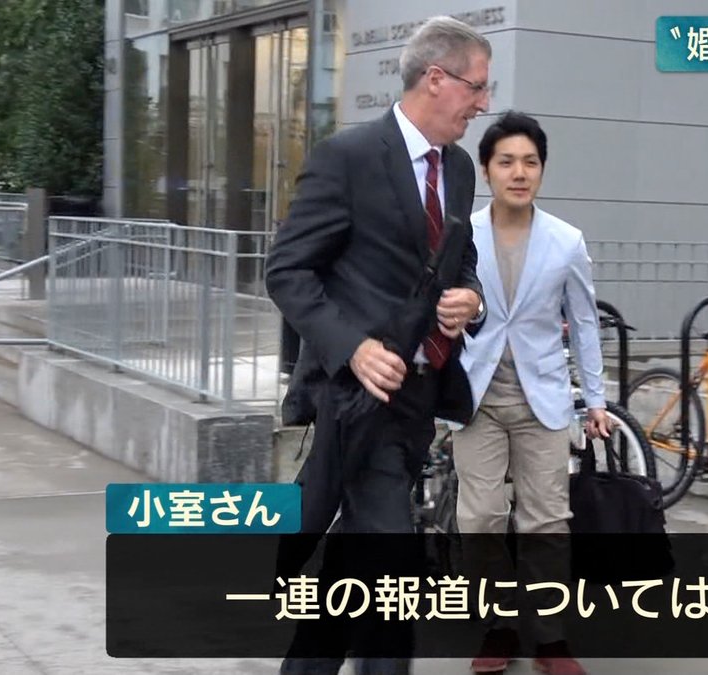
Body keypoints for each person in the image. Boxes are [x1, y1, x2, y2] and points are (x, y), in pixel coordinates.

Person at [265, 16, 492, 674]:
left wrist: (471, 298)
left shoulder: (458, 168)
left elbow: (461, 259)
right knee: (393, 561)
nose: (483, 104)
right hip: (356, 398)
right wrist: (353, 348)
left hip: (419, 396)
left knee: (361, 555)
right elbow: (287, 271)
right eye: (477, 87)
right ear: (436, 79)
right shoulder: (349, 157)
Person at [451, 111, 609, 675]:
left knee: (546, 521)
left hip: (542, 399)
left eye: (530, 162)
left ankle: (549, 639)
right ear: (487, 170)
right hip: (475, 398)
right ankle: (498, 628)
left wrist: (596, 400)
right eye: (506, 162)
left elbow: (584, 322)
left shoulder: (566, 241)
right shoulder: (460, 234)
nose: (519, 173)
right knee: (480, 518)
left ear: (542, 169)